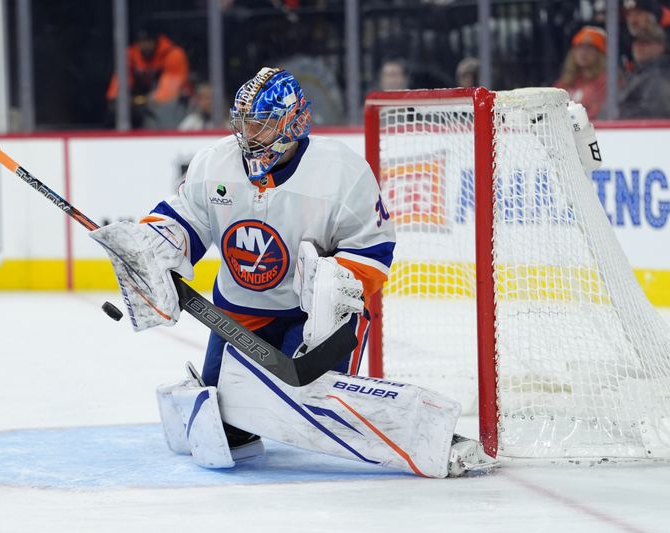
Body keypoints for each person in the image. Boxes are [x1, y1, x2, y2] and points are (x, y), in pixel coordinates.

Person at [90, 68, 496, 478]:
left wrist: (333, 292)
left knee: (311, 405)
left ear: (292, 122)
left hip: (313, 317)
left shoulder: (341, 171)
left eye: (260, 124)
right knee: (224, 416)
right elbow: (183, 221)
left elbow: (374, 249)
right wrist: (152, 249)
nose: (247, 134)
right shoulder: (214, 164)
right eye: (243, 122)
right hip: (241, 312)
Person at [106, 28, 191, 129]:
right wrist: (117, 100)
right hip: (141, 101)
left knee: (160, 114)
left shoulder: (173, 54)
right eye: (141, 42)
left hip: (173, 103)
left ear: (155, 41)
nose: (144, 45)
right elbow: (119, 83)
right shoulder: (131, 54)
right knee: (115, 113)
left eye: (147, 41)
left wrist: (143, 101)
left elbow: (169, 91)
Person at [553, 26, 608, 120]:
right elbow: (549, 107)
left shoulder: (606, 82)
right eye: (579, 47)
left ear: (600, 54)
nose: (583, 52)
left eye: (590, 48)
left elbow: (599, 114)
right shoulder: (565, 82)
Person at [619, 20, 670, 118]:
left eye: (645, 42)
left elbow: (654, 113)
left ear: (661, 46)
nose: (639, 46)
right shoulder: (638, 73)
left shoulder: (659, 76)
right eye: (635, 41)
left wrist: (617, 115)